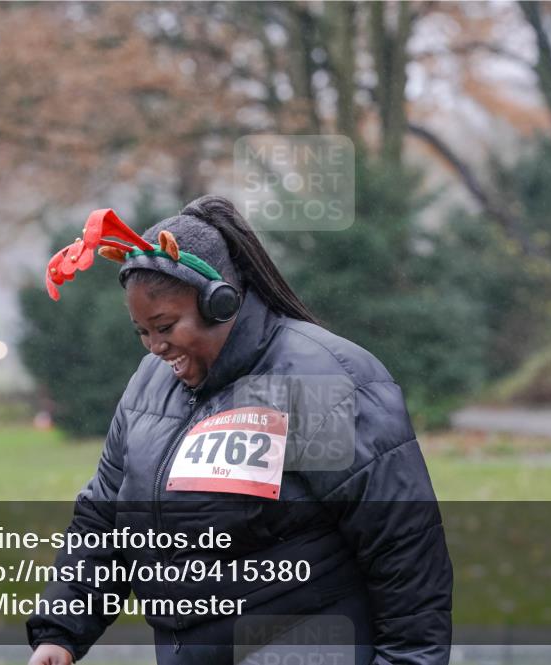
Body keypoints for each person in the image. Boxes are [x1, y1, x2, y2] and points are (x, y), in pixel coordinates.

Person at [27, 195, 453, 664]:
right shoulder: (149, 386)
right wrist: (60, 631)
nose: (154, 347)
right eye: (142, 332)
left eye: (165, 325)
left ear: (220, 302)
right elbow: (105, 519)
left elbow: (402, 549)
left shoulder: (315, 381)